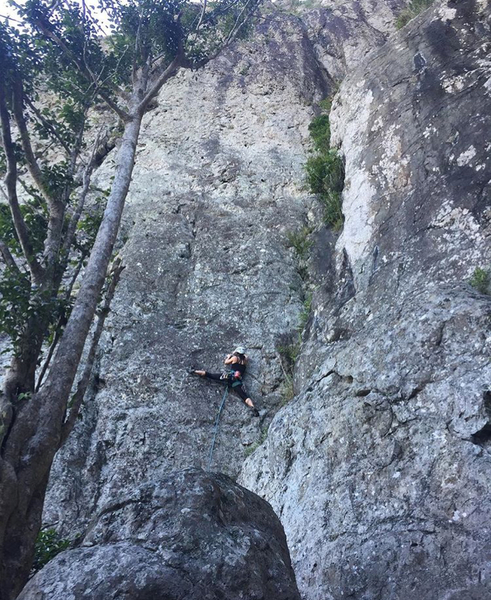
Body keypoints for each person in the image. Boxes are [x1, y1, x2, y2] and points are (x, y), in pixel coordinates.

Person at [192, 346, 259, 416]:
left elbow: (226, 362)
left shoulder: (234, 358)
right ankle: (252, 407)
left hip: (228, 377)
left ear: (237, 352)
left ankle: (195, 371)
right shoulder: (245, 361)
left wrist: (229, 356)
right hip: (236, 381)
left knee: (211, 375)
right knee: (244, 396)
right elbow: (246, 356)